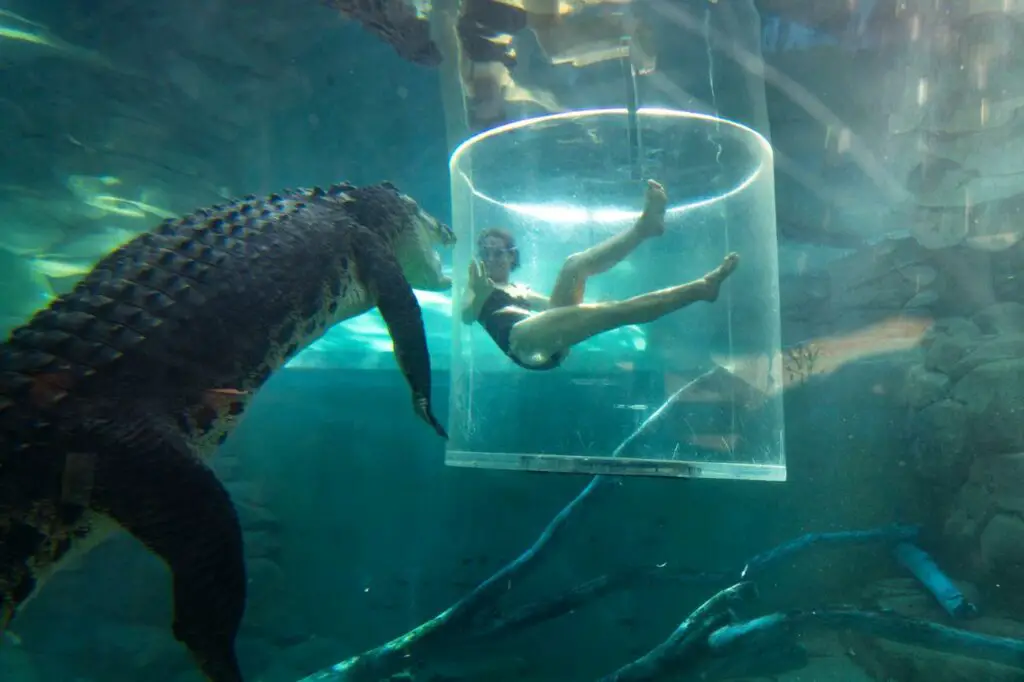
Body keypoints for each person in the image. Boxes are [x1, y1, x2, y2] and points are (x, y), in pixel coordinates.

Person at [460, 179, 740, 370]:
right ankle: (702, 287)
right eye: (486, 252)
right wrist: (479, 297)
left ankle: (645, 227)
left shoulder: (520, 289)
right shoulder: (477, 284)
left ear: (511, 256)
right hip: (523, 345)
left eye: (498, 252)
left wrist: (587, 308)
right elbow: (466, 316)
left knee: (573, 265)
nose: (491, 258)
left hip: (548, 337)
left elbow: (557, 309)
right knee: (617, 311)